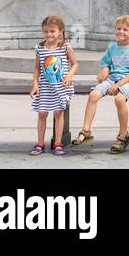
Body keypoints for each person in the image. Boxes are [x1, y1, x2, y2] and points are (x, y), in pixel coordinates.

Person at [72, 14, 129, 153]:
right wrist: (104, 70)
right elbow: (106, 62)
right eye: (118, 28)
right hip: (112, 79)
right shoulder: (112, 47)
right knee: (93, 95)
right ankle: (86, 130)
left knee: (119, 100)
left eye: (125, 29)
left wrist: (118, 85)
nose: (121, 32)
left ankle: (123, 135)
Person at [28, 15, 77, 155]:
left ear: (60, 31)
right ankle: (40, 143)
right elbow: (37, 68)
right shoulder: (40, 48)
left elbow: (75, 64)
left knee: (58, 113)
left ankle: (57, 143)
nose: (49, 34)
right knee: (42, 114)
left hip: (61, 86)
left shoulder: (65, 47)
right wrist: (35, 84)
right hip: (45, 86)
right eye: (46, 31)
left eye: (52, 31)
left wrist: (69, 75)